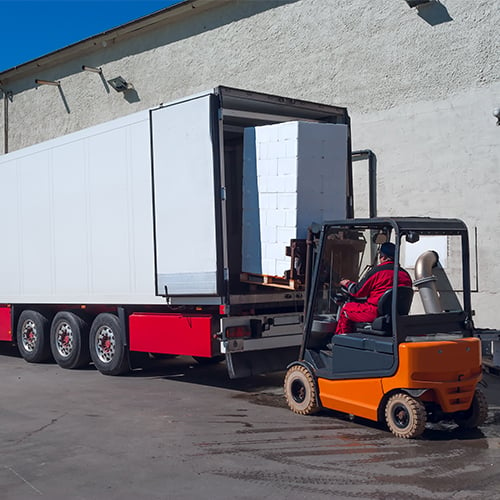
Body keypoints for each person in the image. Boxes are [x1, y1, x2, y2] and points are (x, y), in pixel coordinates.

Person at [335, 242, 412, 334]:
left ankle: (341, 341)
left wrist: (347, 283)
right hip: (397, 315)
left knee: (346, 309)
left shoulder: (378, 271)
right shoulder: (405, 274)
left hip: (375, 312)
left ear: (383, 257)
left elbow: (357, 291)